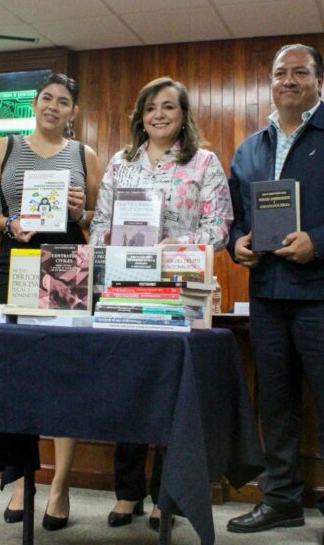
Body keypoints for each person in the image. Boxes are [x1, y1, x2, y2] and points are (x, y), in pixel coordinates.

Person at [225, 44, 324, 545]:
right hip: (269, 296)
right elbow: (233, 219)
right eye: (280, 73)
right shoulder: (251, 147)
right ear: (270, 82)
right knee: (274, 405)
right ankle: (281, 501)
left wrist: (318, 242)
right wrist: (239, 246)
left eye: (301, 72)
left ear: (319, 81)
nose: (289, 80)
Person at [89, 76, 233, 530]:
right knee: (129, 391)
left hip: (179, 290)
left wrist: (180, 242)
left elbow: (220, 229)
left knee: (171, 394)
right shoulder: (120, 162)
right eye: (150, 107)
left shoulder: (204, 163)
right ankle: (128, 492)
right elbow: (99, 226)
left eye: (168, 107)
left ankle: (163, 494)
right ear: (140, 116)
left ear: (183, 114)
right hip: (125, 291)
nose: (158, 115)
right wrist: (99, 260)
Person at [0, 73, 101, 531]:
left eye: (64, 101)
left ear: (73, 112)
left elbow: (98, 218)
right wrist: (8, 224)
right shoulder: (4, 147)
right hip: (17, 261)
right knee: (16, 372)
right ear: (35, 103)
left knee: (66, 374)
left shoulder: (84, 154)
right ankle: (24, 477)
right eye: (47, 98)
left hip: (68, 263)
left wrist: (81, 208)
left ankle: (60, 486)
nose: (53, 106)